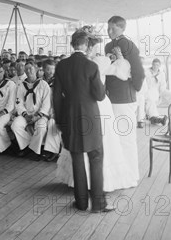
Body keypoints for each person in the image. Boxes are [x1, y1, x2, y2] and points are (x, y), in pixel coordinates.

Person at [56, 29, 139, 193]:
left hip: (77, 108)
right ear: (90, 47)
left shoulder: (68, 63)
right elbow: (122, 73)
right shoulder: (99, 62)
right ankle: (98, 187)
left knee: (80, 146)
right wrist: (119, 57)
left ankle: (80, 185)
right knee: (100, 145)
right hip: (98, 106)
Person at [53, 29, 113, 213]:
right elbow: (100, 96)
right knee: (96, 158)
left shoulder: (61, 66)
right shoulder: (91, 66)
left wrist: (60, 121)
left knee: (77, 159)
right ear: (86, 46)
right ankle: (98, 204)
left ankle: (80, 203)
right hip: (91, 119)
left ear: (72, 45)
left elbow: (56, 97)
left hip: (70, 118)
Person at [104, 15, 144, 186]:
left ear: (122, 28)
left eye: (113, 28)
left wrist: (134, 88)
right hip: (111, 97)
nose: (109, 31)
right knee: (116, 139)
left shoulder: (128, 44)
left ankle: (131, 176)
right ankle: (120, 177)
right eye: (108, 28)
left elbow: (138, 71)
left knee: (126, 139)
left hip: (124, 97)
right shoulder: (108, 45)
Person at [11, 63, 60, 161]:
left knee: (41, 128)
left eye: (31, 68)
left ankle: (35, 151)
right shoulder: (21, 85)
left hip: (40, 115)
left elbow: (46, 104)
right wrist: (25, 115)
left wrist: (37, 116)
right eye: (27, 69)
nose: (29, 71)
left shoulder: (43, 84)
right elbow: (19, 103)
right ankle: (28, 146)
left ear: (36, 69)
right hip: (26, 114)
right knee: (15, 125)